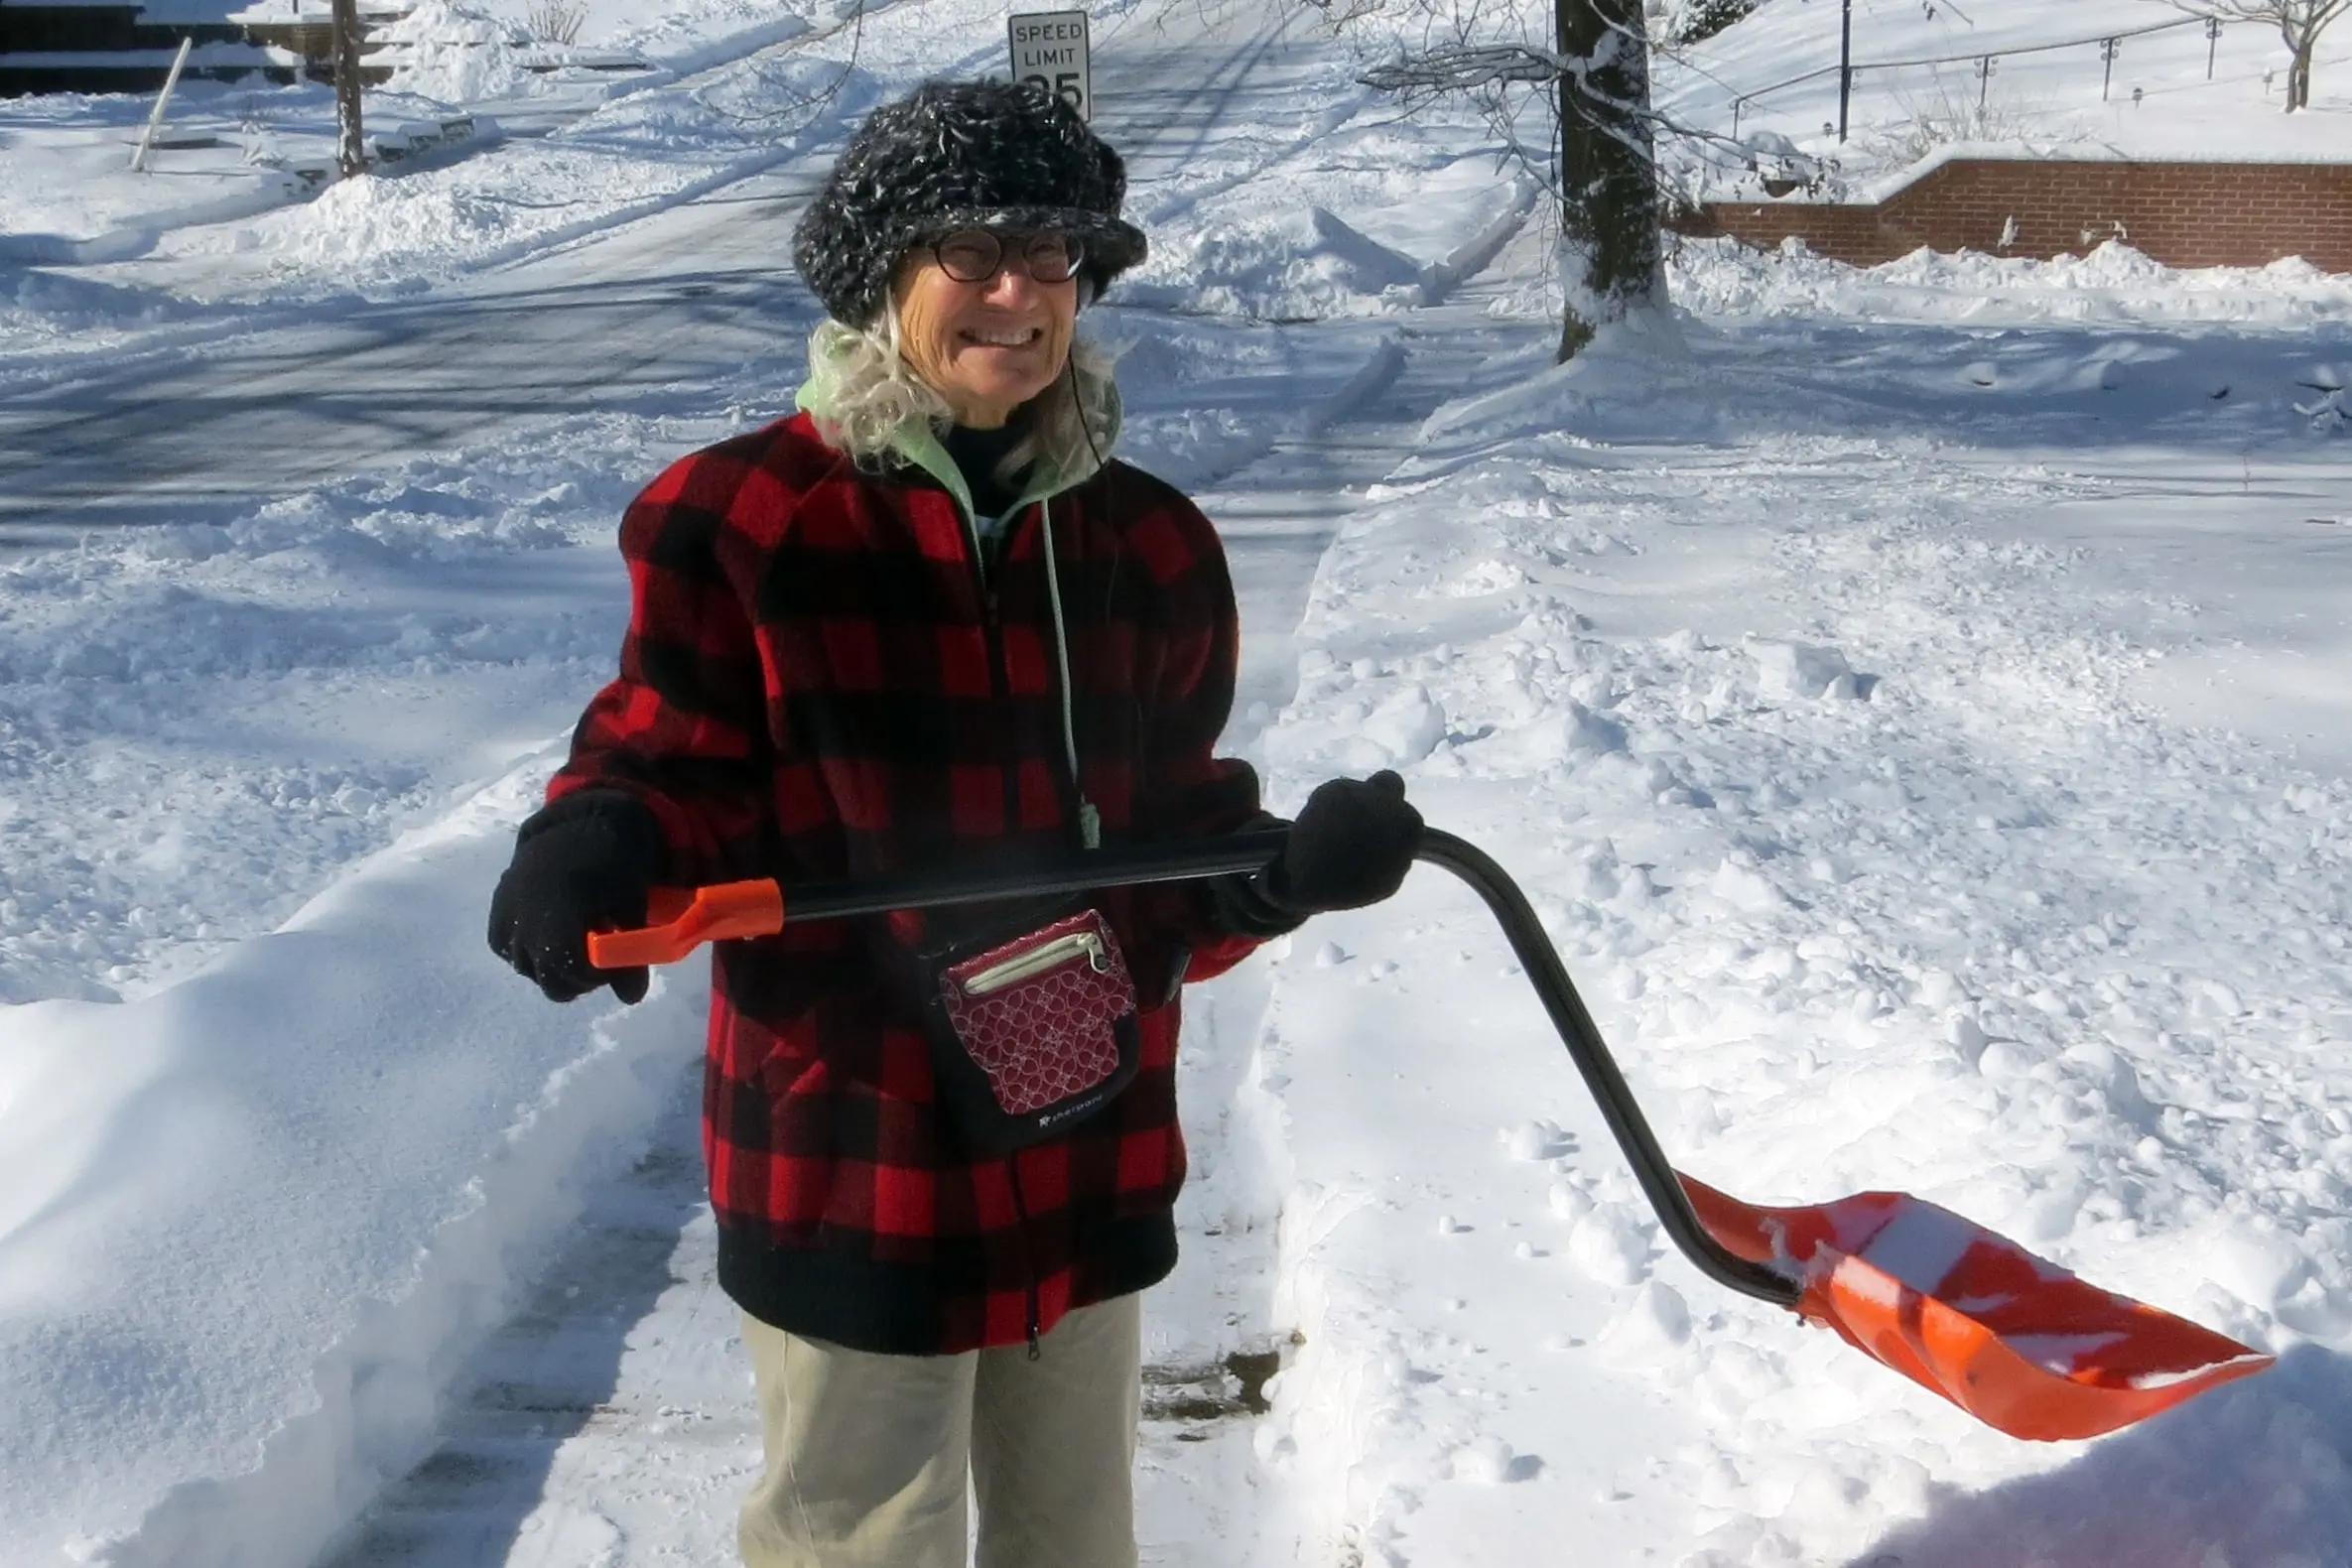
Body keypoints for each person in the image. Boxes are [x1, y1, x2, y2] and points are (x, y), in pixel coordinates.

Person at [485, 78, 1421, 1568]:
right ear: (881, 274)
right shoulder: (744, 521)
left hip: (1083, 1115)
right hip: (853, 1132)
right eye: (970, 248)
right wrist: (595, 834)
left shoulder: (1147, 541)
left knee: (1072, 1534)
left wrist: (1280, 876)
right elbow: (667, 756)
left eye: (1052, 256)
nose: (1015, 291)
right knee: (862, 1536)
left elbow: (1177, 840)